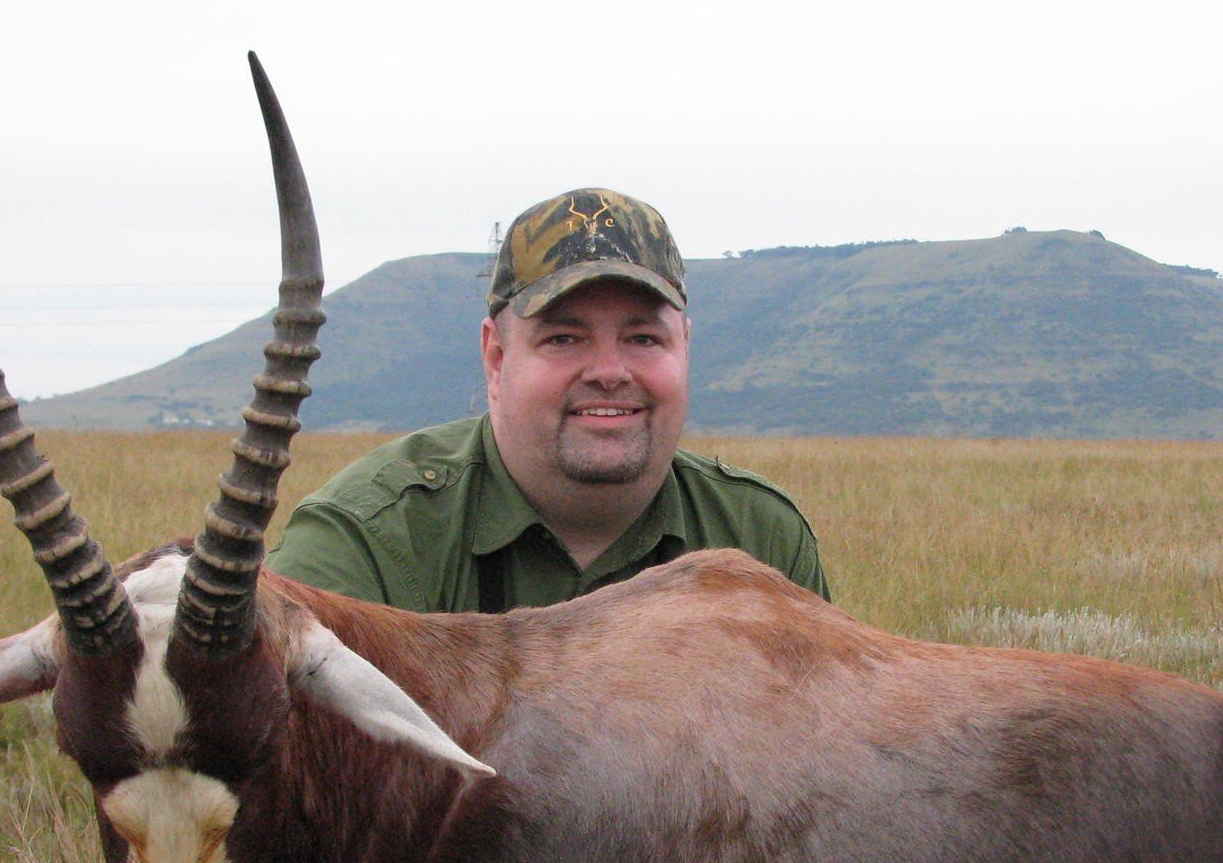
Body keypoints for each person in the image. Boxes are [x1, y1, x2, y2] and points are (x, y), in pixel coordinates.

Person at [266, 188, 829, 612]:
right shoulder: (366, 540)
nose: (610, 372)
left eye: (643, 339)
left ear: (684, 347)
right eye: (563, 338)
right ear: (496, 356)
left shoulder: (763, 538)